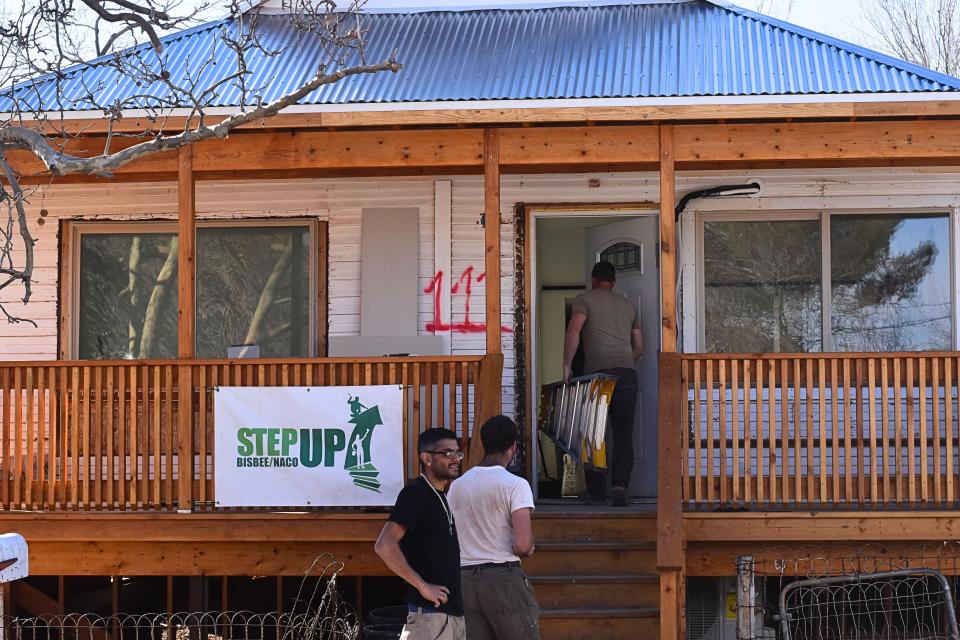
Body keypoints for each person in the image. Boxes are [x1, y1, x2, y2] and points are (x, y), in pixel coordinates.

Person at [447, 415, 540, 640]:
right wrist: (529, 548)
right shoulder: (516, 485)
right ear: (513, 447)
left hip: (465, 579)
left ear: (483, 443)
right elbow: (522, 544)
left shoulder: (457, 486)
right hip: (503, 579)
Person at [562, 260, 643, 507]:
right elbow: (639, 346)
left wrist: (567, 365)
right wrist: (626, 359)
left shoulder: (584, 299)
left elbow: (574, 331)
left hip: (598, 374)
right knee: (623, 432)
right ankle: (620, 485)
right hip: (627, 373)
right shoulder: (628, 305)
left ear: (593, 279)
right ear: (614, 281)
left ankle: (597, 491)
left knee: (594, 431)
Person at [375, 428, 466, 640]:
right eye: (448, 453)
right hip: (428, 617)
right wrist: (423, 587)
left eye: (457, 453)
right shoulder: (415, 493)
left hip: (452, 615)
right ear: (427, 458)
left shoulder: (441, 495)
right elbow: (384, 545)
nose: (455, 459)